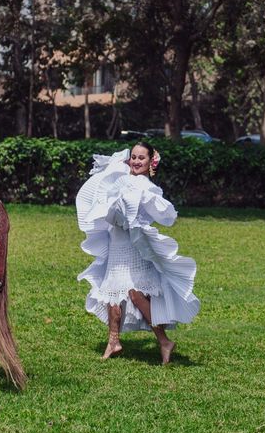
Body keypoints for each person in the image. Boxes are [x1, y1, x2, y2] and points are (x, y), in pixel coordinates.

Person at [76, 142, 200, 363]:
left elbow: (147, 212)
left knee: (135, 293)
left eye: (141, 158)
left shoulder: (145, 187)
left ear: (150, 162)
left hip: (132, 248)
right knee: (111, 293)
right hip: (116, 244)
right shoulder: (124, 179)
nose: (135, 161)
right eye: (133, 157)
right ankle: (114, 341)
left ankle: (163, 340)